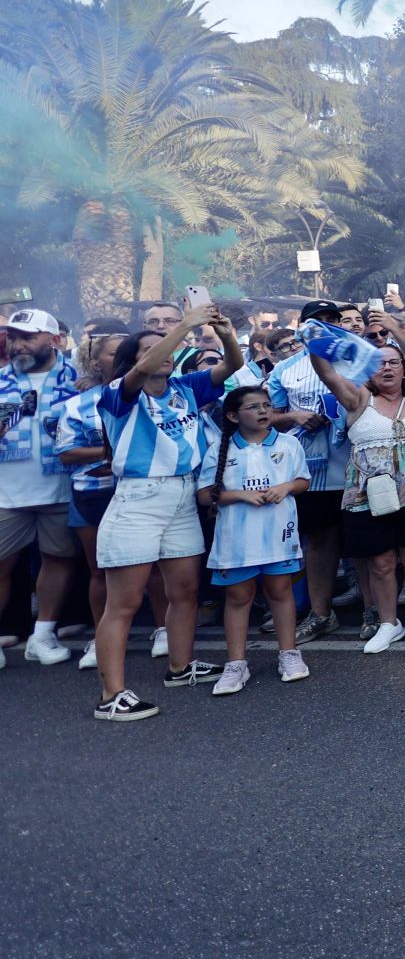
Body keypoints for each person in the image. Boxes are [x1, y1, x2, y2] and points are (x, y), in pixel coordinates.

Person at [90, 303, 242, 720]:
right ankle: (111, 695)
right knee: (124, 602)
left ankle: (180, 665)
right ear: (133, 359)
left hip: (182, 494)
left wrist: (225, 333)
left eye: (169, 345)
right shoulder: (119, 392)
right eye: (152, 347)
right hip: (139, 500)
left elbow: (233, 365)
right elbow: (143, 369)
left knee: (185, 590)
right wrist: (185, 325)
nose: (166, 353)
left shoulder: (185, 387)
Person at [307, 340, 405, 654]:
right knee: (380, 561)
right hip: (368, 494)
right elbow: (328, 375)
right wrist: (317, 343)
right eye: (379, 363)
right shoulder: (359, 398)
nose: (387, 368)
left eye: (393, 362)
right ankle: (389, 623)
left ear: (404, 369)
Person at [197, 385, 311, 695]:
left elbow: (303, 481)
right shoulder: (220, 449)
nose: (263, 411)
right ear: (233, 416)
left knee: (280, 591)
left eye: (266, 405)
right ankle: (236, 664)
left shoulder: (288, 443)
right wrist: (239, 495)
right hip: (236, 539)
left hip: (278, 534)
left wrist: (286, 487)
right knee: (238, 597)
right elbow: (205, 494)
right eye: (253, 407)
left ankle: (289, 653)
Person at [0, 308, 82, 668]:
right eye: (14, 337)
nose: (18, 344)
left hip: (62, 489)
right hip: (6, 492)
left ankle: (43, 635)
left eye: (29, 337)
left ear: (55, 340)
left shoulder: (80, 379)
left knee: (57, 559)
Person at [268, 301, 352, 644]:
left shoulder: (358, 359)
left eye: (333, 320)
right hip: (311, 468)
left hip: (357, 462)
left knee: (364, 541)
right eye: (318, 321)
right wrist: (294, 416)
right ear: (301, 326)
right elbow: (269, 417)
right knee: (319, 541)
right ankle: (321, 614)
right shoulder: (285, 369)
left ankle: (375, 612)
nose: (326, 325)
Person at [56, 329, 131, 670]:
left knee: (154, 570)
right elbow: (67, 453)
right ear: (95, 362)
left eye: (127, 350)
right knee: (100, 570)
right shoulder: (78, 403)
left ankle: (163, 631)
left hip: (139, 492)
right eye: (113, 352)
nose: (122, 357)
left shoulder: (153, 395)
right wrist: (110, 452)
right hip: (91, 493)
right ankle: (101, 638)